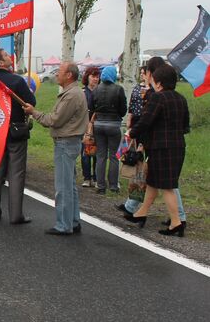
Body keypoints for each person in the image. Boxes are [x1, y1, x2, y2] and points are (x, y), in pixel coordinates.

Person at [117, 57, 187, 226]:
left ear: (159, 83)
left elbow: (146, 121)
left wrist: (131, 133)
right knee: (153, 182)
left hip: (161, 147)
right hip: (178, 145)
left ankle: (177, 222)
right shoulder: (181, 99)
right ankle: (141, 212)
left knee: (167, 186)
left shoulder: (158, 98)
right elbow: (185, 126)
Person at [24, 62, 88, 235]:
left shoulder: (71, 95)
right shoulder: (73, 92)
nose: (56, 74)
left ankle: (64, 224)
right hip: (70, 142)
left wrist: (33, 112)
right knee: (70, 185)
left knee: (63, 186)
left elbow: (54, 120)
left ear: (69, 75)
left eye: (59, 72)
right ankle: (73, 221)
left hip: (65, 142)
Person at [0, 49, 36, 223]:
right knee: (16, 173)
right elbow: (31, 103)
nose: (10, 57)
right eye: (6, 55)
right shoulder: (17, 80)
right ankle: (16, 215)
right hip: (16, 130)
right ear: (0, 63)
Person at [92, 66, 127, 194]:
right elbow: (123, 110)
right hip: (113, 125)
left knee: (100, 155)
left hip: (98, 125)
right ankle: (113, 186)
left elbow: (91, 106)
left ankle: (100, 186)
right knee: (113, 156)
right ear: (113, 75)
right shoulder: (118, 89)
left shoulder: (96, 89)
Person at [80, 66, 100, 187]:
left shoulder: (101, 91)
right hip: (85, 126)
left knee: (97, 153)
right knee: (85, 152)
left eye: (97, 77)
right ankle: (87, 177)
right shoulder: (83, 92)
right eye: (93, 76)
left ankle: (96, 177)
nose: (95, 79)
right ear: (87, 77)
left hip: (98, 125)